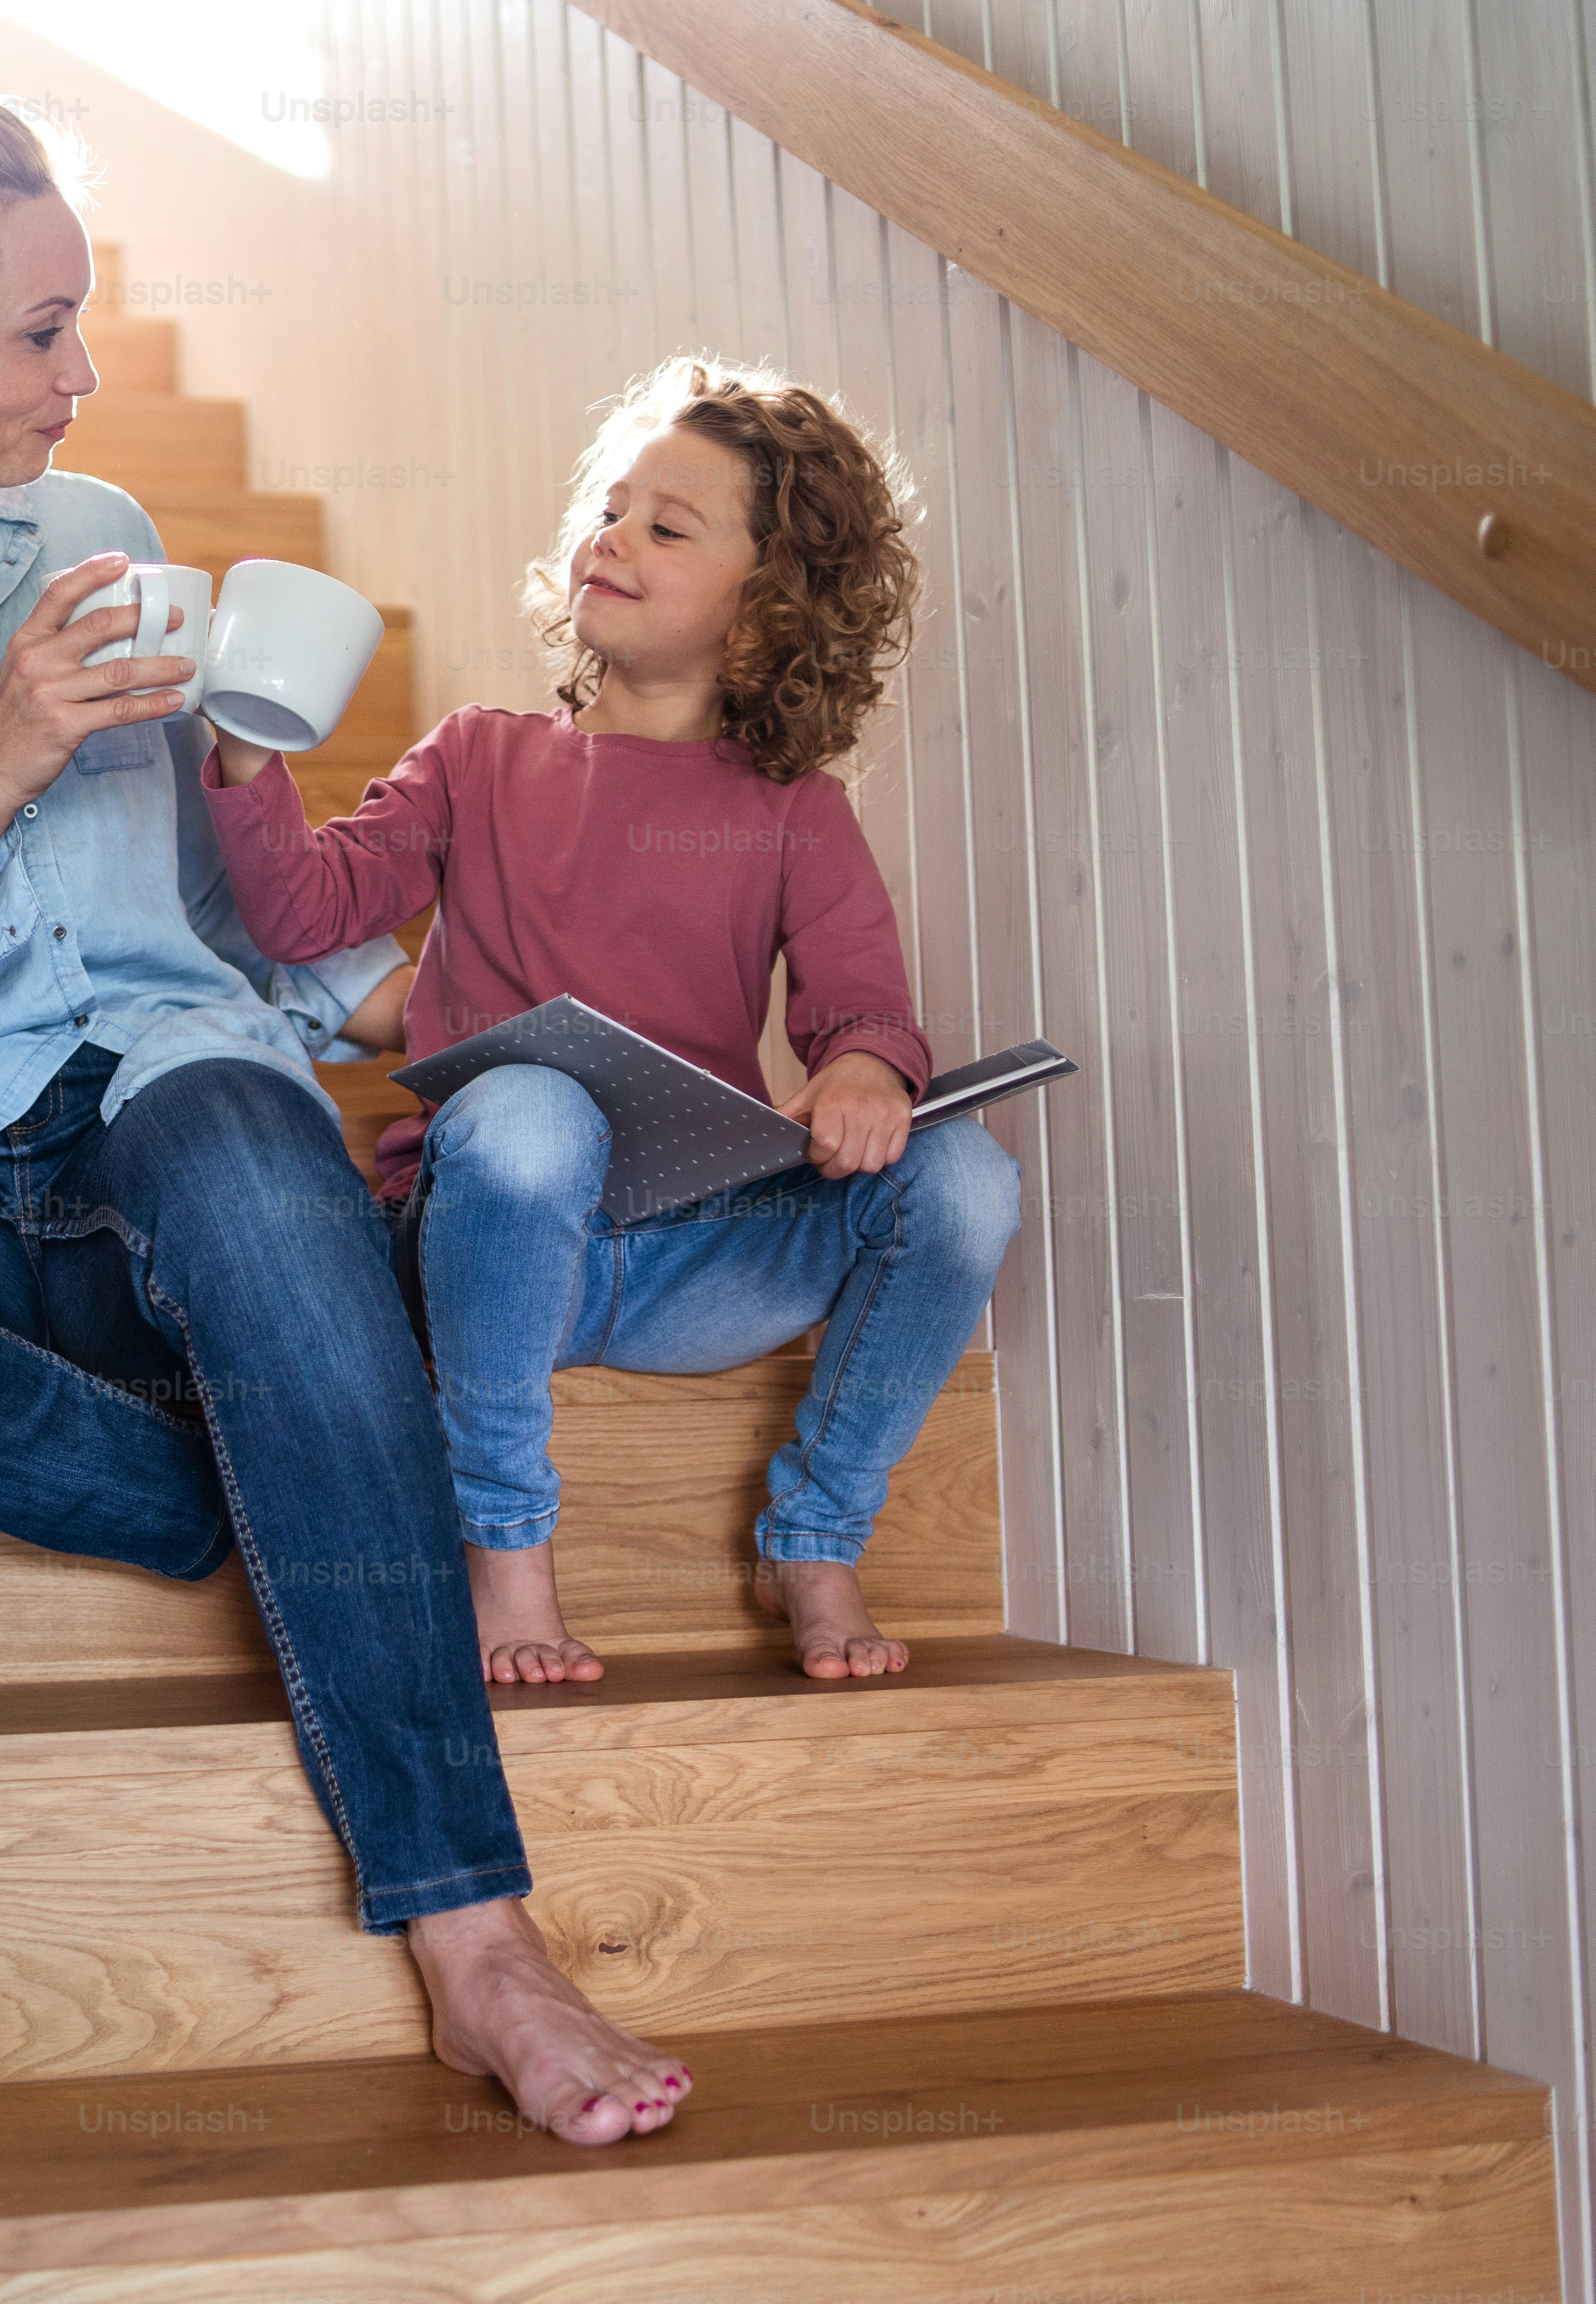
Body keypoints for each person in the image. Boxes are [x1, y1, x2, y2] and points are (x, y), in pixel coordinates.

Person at [0, 81, 688, 2144]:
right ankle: (239, 1483)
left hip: (174, 1102)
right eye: (39, 331)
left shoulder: (96, 539)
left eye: (83, 326)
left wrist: (408, 995)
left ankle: (476, 1938)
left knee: (257, 1173)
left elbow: (190, 930)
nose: (83, 380)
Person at [197, 358, 1025, 1687]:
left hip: (688, 1258)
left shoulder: (793, 811)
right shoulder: (478, 756)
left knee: (970, 1179)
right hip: (491, 1239)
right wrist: (245, 746)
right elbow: (308, 910)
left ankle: (816, 1533)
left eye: (667, 525)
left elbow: (862, 1006)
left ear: (765, 610)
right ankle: (506, 1550)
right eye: (611, 507)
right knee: (530, 1109)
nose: (613, 537)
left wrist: (866, 1070)